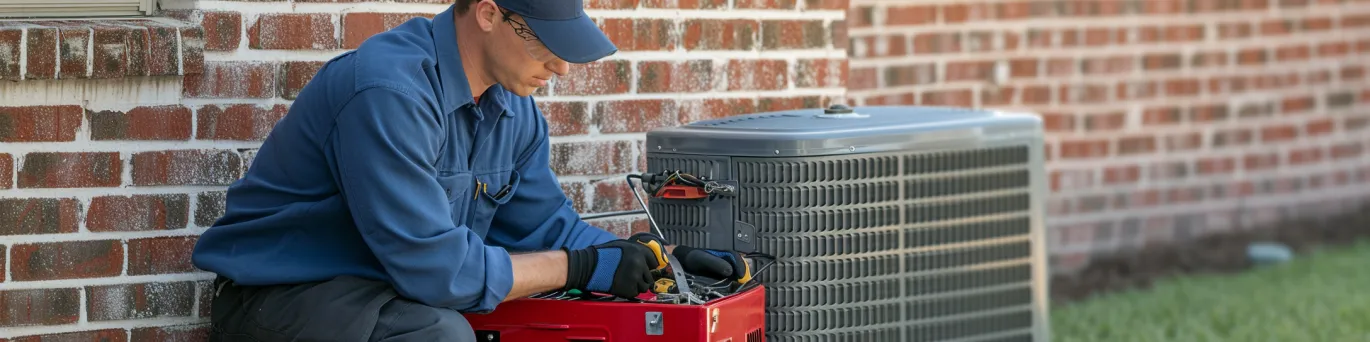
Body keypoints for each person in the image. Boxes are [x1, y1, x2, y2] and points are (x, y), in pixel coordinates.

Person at [190, 0, 752, 340]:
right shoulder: (389, 93)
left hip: (393, 297)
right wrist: (582, 267)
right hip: (283, 299)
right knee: (437, 333)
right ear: (489, 14)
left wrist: (660, 261)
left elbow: (549, 232)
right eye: (546, 46)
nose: (558, 67)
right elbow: (438, 273)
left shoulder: (513, 111)